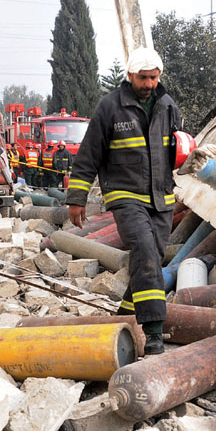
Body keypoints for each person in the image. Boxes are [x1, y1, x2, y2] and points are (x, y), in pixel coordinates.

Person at [65, 47, 179, 355]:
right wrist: (77, 199)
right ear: (130, 76)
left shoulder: (168, 106)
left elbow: (177, 150)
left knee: (150, 260)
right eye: (143, 78)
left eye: (154, 77)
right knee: (144, 250)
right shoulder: (110, 108)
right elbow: (89, 155)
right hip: (125, 195)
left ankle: (126, 317)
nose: (149, 84)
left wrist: (192, 155)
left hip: (161, 199)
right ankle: (155, 334)